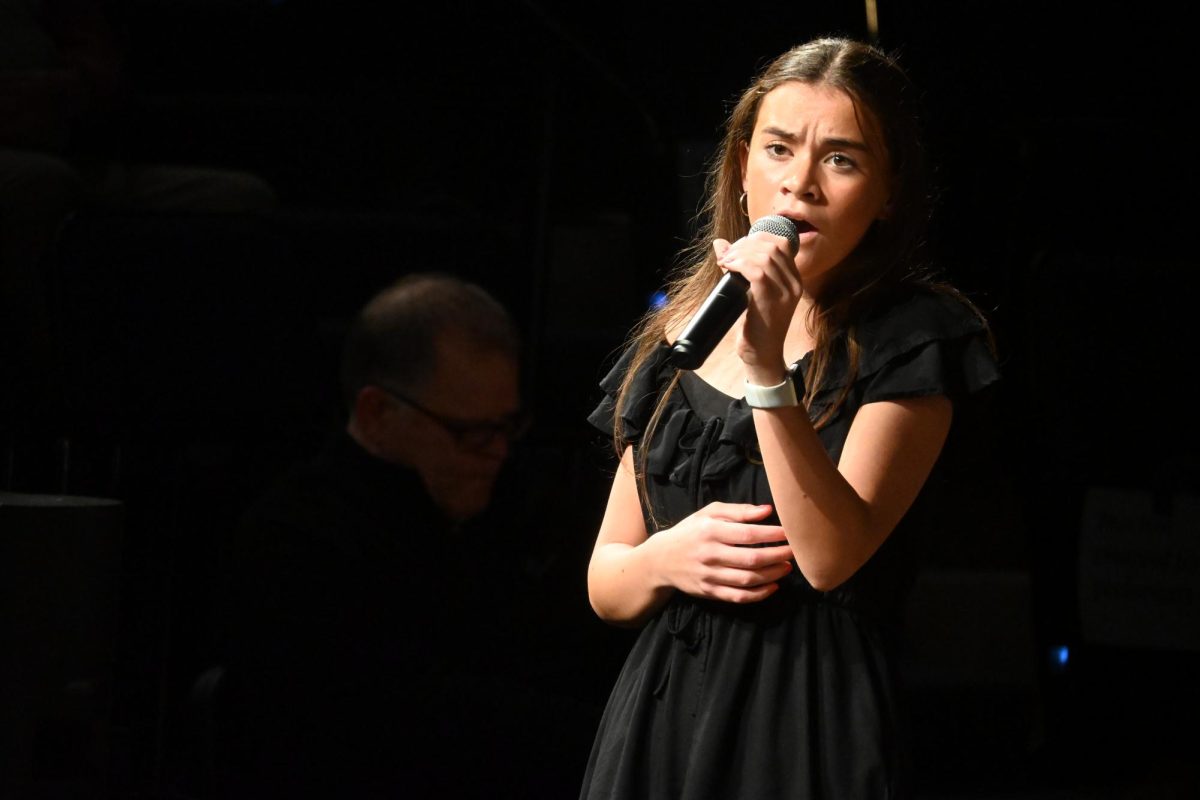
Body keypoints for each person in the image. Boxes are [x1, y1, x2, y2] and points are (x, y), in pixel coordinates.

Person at [579, 37, 1001, 799]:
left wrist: (769, 369)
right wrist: (664, 560)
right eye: (778, 149)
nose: (799, 184)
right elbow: (607, 578)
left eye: (841, 160)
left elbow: (830, 555)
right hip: (663, 713)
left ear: (889, 193)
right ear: (742, 167)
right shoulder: (685, 331)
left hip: (806, 715)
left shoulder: (914, 338)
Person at [215, 272, 580, 798]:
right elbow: (386, 726)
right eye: (469, 433)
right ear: (377, 412)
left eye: (506, 426)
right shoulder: (296, 539)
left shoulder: (522, 504)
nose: (498, 452)